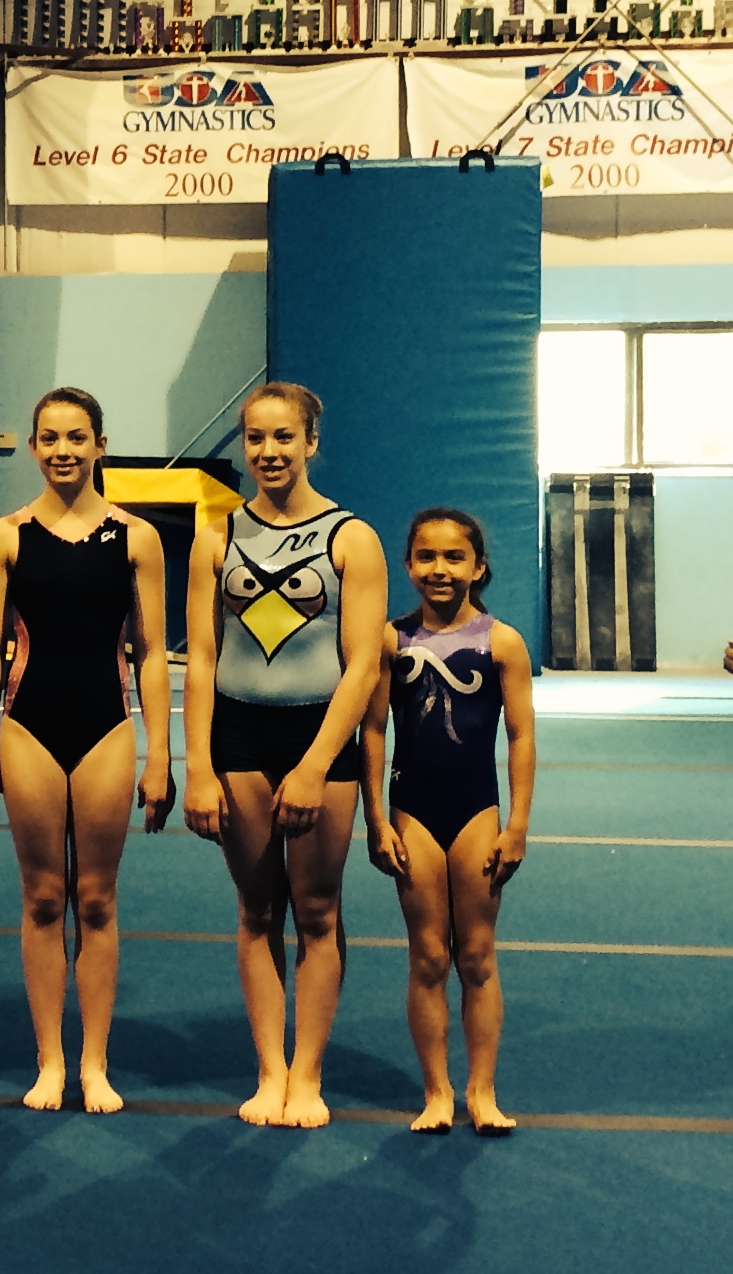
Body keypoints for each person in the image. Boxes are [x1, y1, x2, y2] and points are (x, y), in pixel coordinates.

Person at [183, 380, 390, 1130]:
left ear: (310, 443)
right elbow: (201, 657)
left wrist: (314, 765)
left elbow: (362, 666)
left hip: (318, 737)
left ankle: (308, 1073)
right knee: (256, 908)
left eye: (283, 437)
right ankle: (270, 1069)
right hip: (238, 735)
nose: (268, 451)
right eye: (255, 438)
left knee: (317, 910)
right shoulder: (217, 537)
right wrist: (195, 765)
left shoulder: (351, 538)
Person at [0, 386, 172, 1113]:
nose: (63, 451)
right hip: (28, 725)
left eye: (77, 437)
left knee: (97, 898)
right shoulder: (6, 536)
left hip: (107, 726)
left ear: (100, 445)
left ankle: (95, 1062)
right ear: (32, 447)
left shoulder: (136, 538)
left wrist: (160, 754)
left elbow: (151, 652)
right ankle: (50, 1059)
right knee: (44, 896)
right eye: (50, 438)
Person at [362, 508, 535, 1136]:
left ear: (478, 567)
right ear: (408, 566)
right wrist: (375, 818)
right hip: (413, 812)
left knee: (478, 955)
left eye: (454, 557)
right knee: (429, 957)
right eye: (427, 557)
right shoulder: (390, 640)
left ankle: (481, 1090)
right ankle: (436, 1091)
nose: (440, 568)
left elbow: (521, 736)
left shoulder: (501, 642)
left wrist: (517, 824)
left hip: (477, 812)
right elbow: (372, 731)